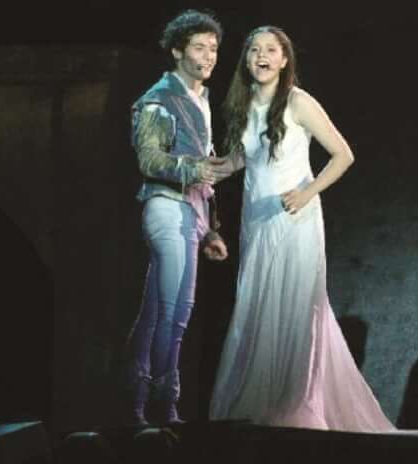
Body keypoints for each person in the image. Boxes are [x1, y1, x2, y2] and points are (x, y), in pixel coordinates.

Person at [208, 26, 395, 432]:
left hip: (294, 219)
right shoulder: (245, 104)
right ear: (245, 59)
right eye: (254, 50)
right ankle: (257, 400)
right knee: (257, 307)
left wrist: (308, 192)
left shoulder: (298, 101)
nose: (261, 56)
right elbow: (240, 160)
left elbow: (343, 154)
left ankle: (295, 401)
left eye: (270, 50)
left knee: (294, 307)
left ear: (284, 59)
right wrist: (201, 168)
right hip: (256, 222)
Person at [126, 9, 230, 426]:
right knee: (176, 310)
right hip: (166, 207)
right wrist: (194, 168)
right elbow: (149, 159)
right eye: (199, 48)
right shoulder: (159, 99)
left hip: (191, 213)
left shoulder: (200, 100)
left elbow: (206, 172)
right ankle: (163, 405)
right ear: (177, 51)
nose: (208, 56)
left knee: (156, 311)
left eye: (213, 49)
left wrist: (211, 232)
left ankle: (137, 403)